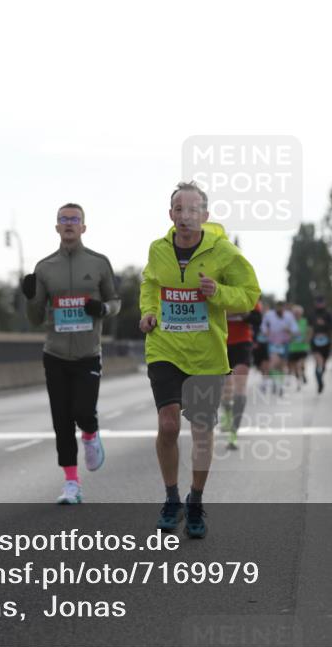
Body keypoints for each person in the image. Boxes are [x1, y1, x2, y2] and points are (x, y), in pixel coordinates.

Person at [139, 182, 261, 538]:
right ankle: (171, 498)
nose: (186, 216)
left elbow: (249, 295)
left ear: (205, 215)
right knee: (168, 425)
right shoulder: (158, 249)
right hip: (165, 347)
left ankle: (195, 500)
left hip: (207, 354)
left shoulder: (223, 251)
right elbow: (150, 285)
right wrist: (148, 312)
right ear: (171, 214)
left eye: (193, 210)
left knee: (202, 433)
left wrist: (218, 292)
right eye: (179, 209)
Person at [23, 203, 121, 504]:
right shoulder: (44, 267)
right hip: (55, 354)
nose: (68, 223)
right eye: (63, 219)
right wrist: (30, 297)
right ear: (56, 227)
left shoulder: (99, 263)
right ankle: (71, 483)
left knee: (83, 411)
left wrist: (103, 309)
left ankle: (90, 434)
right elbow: (35, 318)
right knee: (61, 420)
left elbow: (116, 302)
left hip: (88, 353)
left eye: (74, 219)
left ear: (83, 227)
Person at [221, 301, 262, 448]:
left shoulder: (246, 293)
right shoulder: (214, 289)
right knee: (226, 389)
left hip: (242, 343)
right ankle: (227, 412)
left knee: (240, 387)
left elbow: (257, 319)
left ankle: (234, 432)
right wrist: (237, 311)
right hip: (220, 343)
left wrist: (240, 313)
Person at [260, 300, 298, 395]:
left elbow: (295, 329)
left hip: (284, 343)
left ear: (284, 308)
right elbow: (263, 326)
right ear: (275, 307)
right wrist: (266, 332)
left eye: (281, 307)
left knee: (282, 365)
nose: (280, 309)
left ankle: (279, 385)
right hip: (273, 343)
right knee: (273, 362)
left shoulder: (289, 316)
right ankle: (267, 382)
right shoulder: (269, 315)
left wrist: (289, 330)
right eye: (278, 307)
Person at [309, 295, 332, 393]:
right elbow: (309, 327)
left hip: (326, 341)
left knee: (323, 364)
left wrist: (324, 324)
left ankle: (320, 376)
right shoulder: (312, 314)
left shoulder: (328, 314)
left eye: (321, 302)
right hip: (315, 341)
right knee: (318, 361)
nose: (319, 304)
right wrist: (309, 338)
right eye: (318, 302)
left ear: (324, 303)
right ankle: (319, 381)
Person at [286, 304, 310, 389]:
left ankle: (303, 373)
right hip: (293, 348)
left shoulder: (305, 321)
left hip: (303, 347)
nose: (296, 314)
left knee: (300, 364)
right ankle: (298, 381)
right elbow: (287, 333)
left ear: (301, 313)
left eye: (298, 313)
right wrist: (290, 336)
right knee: (295, 367)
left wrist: (307, 339)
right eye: (295, 313)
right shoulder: (290, 323)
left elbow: (309, 332)